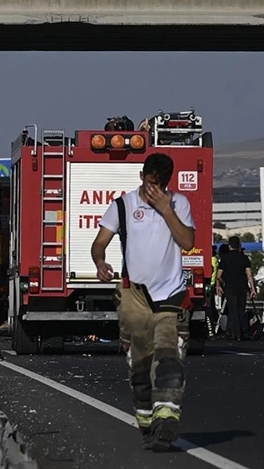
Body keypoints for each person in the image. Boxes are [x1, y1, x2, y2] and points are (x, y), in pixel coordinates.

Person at [91, 153, 195, 452]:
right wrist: (101, 263)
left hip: (170, 297)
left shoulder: (179, 204)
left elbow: (187, 243)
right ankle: (148, 422)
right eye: (151, 183)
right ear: (142, 176)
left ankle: (167, 420)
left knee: (169, 360)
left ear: (168, 183)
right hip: (135, 296)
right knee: (140, 367)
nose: (155, 190)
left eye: (161, 185)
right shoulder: (122, 206)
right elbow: (100, 243)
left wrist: (166, 210)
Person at [216, 236, 257, 341]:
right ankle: (242, 332)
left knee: (232, 310)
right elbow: (249, 275)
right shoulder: (244, 258)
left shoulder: (225, 258)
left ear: (229, 246)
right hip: (242, 287)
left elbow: (219, 275)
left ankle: (234, 333)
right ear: (239, 245)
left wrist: (220, 285)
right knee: (240, 309)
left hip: (230, 287)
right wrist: (253, 289)